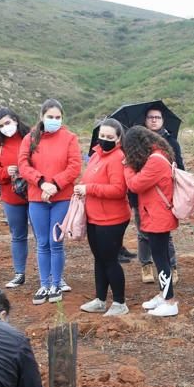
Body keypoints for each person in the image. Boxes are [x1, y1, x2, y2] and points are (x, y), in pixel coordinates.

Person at [18, 99, 82, 305]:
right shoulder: (30, 138)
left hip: (61, 197)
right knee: (42, 242)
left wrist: (55, 184)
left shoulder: (70, 138)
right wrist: (41, 182)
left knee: (56, 242)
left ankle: (56, 282)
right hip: (37, 197)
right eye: (50, 117)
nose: (54, 120)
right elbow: (23, 165)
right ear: (42, 117)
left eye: (57, 117)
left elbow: (74, 166)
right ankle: (44, 283)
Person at [74, 119, 131, 316]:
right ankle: (100, 299)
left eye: (109, 137)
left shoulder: (118, 157)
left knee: (110, 260)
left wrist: (89, 188)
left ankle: (119, 302)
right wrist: (83, 186)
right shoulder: (96, 155)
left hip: (112, 219)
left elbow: (118, 189)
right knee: (99, 259)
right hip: (94, 216)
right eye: (102, 136)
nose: (105, 140)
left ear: (118, 139)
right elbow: (89, 178)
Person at [122, 126, 180, 318]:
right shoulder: (159, 154)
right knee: (160, 255)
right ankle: (164, 294)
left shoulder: (155, 161)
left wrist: (127, 166)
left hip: (158, 217)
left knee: (160, 258)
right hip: (157, 214)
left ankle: (170, 301)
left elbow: (135, 184)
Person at [131, 106, 183, 285]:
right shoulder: (138, 144)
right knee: (143, 233)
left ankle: (171, 267)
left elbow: (180, 168)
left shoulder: (171, 142)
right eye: (150, 117)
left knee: (164, 235)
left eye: (157, 117)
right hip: (141, 196)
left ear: (163, 120)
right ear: (145, 121)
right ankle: (146, 265)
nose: (154, 120)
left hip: (163, 197)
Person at [0, 107, 32, 289]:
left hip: (35, 194)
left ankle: (52, 275)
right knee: (18, 236)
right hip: (12, 197)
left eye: (7, 122)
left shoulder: (31, 136)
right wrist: (5, 171)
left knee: (42, 236)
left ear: (15, 119)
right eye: (1, 125)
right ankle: (19, 273)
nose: (5, 127)